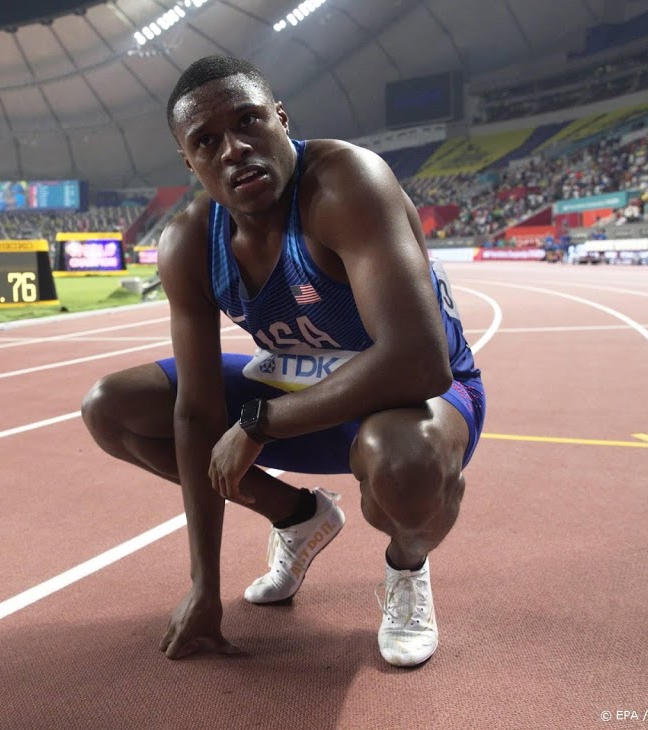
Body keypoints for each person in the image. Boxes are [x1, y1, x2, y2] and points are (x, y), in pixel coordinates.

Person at [82, 56, 485, 667]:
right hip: (302, 393)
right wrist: (204, 587)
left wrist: (258, 424)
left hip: (416, 399)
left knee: (402, 467)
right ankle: (296, 518)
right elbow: (194, 413)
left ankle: (407, 568)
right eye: (207, 141)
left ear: (281, 118)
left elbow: (418, 361)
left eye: (249, 122)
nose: (235, 149)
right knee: (110, 408)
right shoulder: (190, 241)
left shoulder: (346, 184)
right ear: (189, 162)